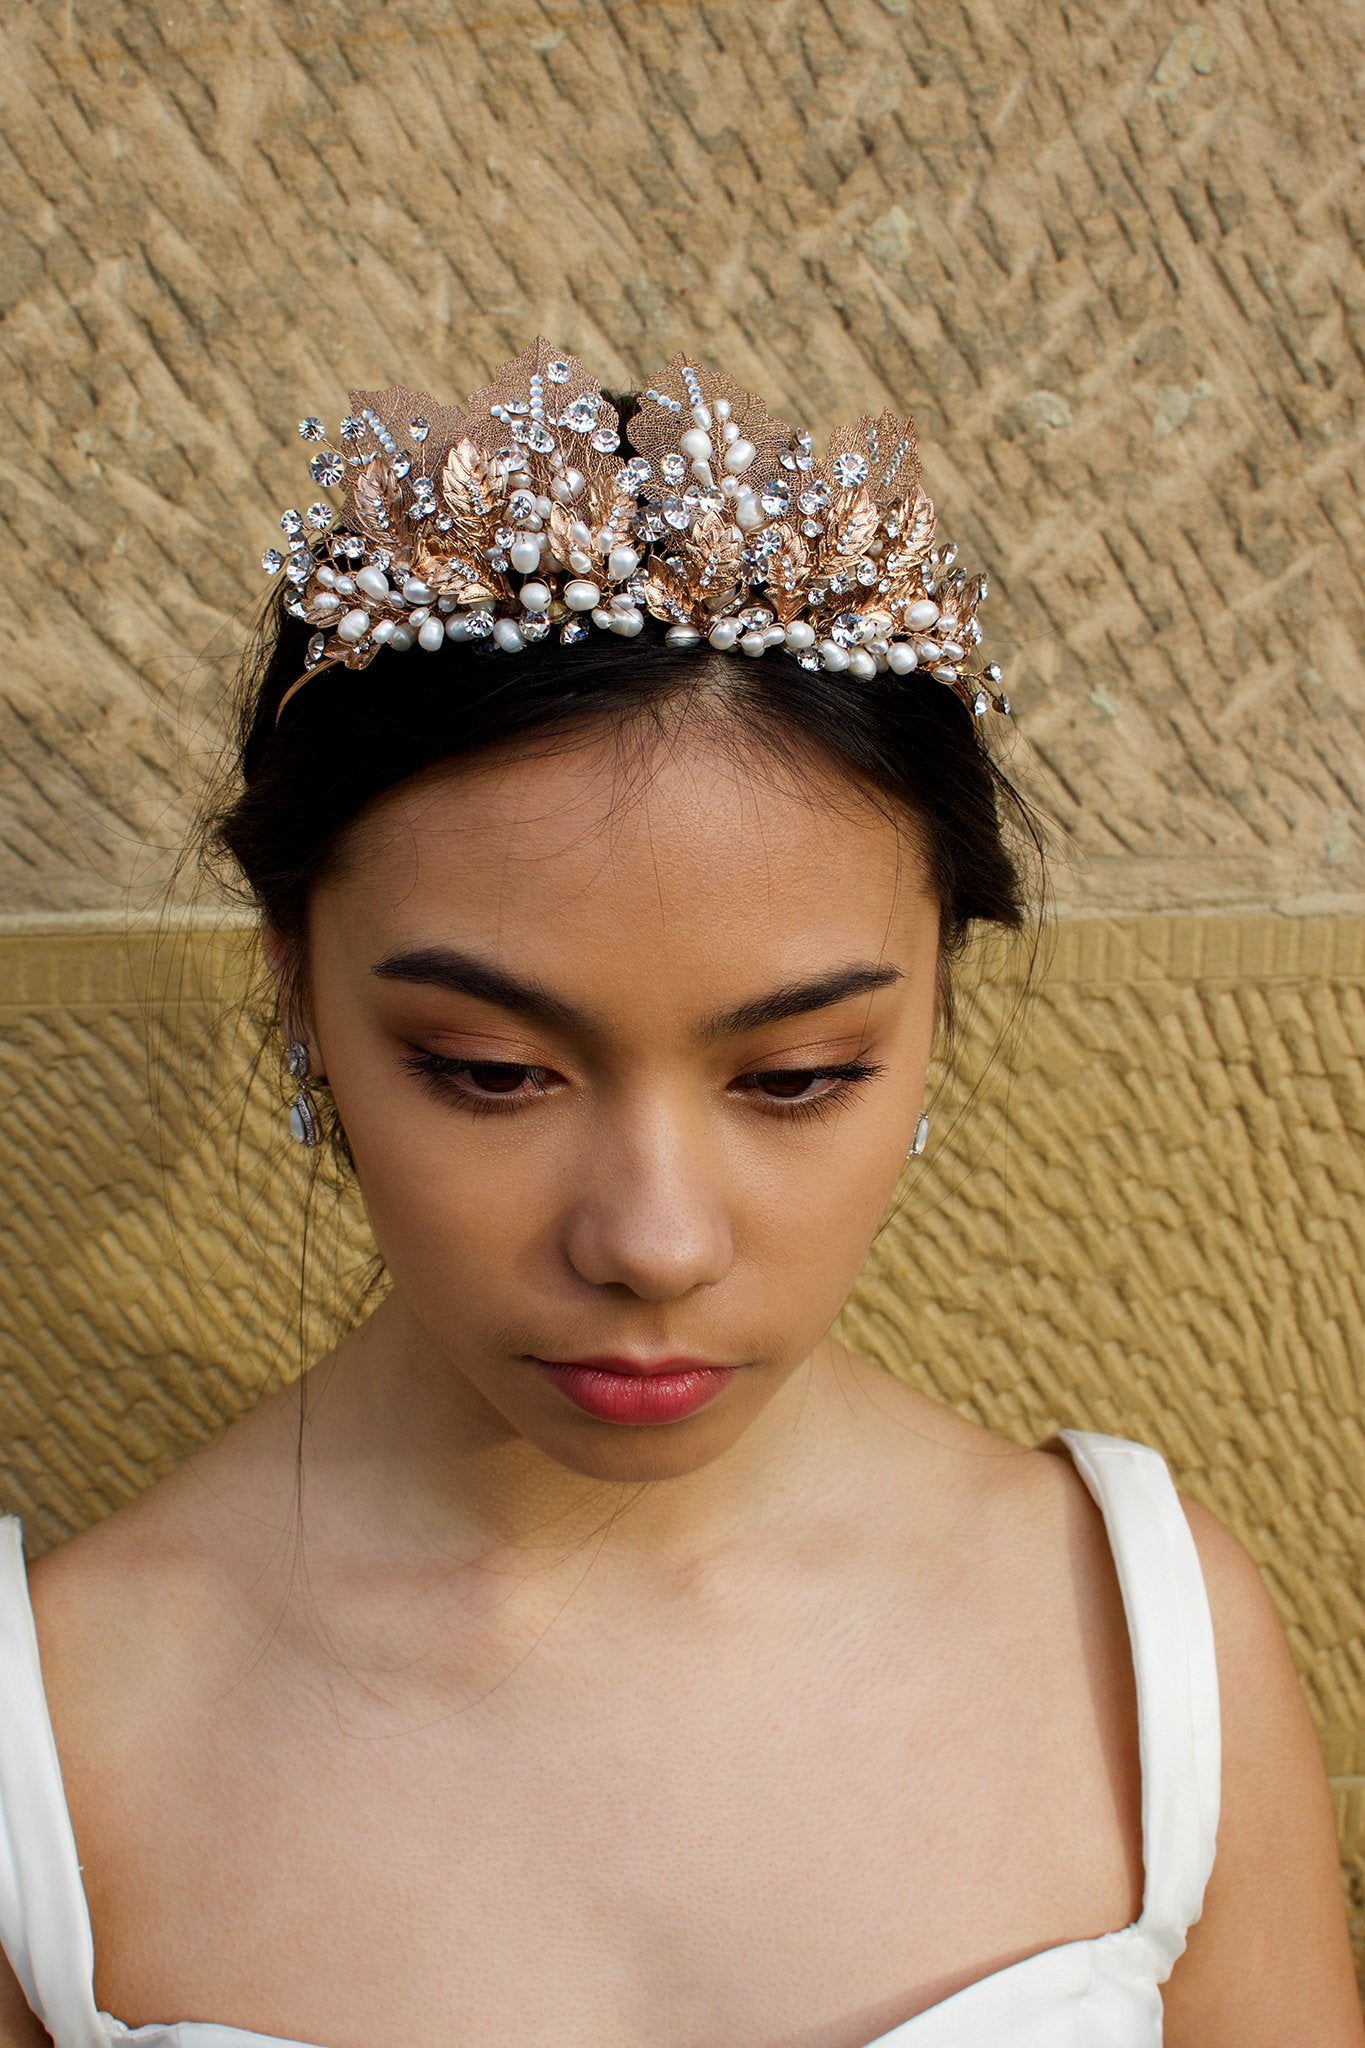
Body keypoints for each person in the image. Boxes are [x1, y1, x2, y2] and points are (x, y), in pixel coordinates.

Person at [0, 343, 1358, 2047]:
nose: (652, 1241)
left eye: (794, 1079)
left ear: (932, 1007)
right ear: (298, 994)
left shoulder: (1140, 1647)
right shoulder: (45, 1744)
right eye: (491, 1073)